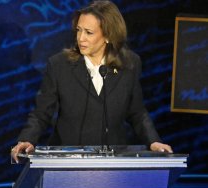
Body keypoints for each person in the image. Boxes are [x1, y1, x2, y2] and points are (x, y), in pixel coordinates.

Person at [10, 0, 173, 162]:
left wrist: (154, 141)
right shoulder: (59, 65)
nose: (81, 38)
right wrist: (27, 139)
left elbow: (137, 112)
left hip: (112, 160)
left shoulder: (130, 64)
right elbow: (41, 113)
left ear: (109, 35)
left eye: (88, 32)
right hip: (67, 160)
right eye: (78, 30)